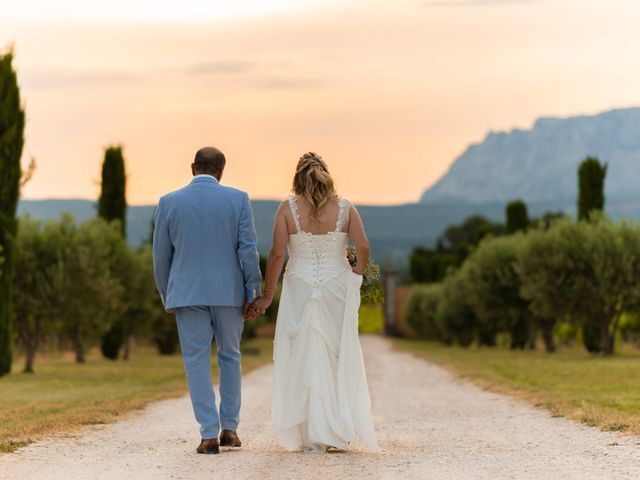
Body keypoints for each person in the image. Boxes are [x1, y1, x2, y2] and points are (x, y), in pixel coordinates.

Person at [251, 152, 380, 452]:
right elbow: (363, 246)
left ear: (297, 178)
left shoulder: (287, 209)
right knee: (338, 354)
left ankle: (310, 431)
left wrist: (268, 294)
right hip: (336, 286)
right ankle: (337, 428)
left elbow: (277, 254)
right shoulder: (346, 207)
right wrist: (355, 275)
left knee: (302, 354)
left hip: (300, 286)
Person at [153, 146, 262, 455]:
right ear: (221, 171)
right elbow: (248, 251)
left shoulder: (168, 202)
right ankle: (230, 428)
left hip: (187, 294)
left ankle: (208, 435)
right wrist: (252, 292)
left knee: (196, 361)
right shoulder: (238, 199)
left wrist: (167, 294)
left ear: (192, 168)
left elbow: (160, 258)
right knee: (231, 356)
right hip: (229, 293)